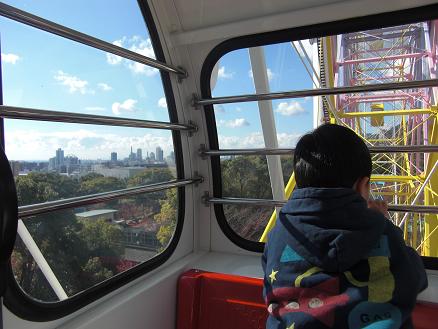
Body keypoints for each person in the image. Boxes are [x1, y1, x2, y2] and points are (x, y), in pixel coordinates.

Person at [262, 124, 427, 329]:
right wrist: (382, 222)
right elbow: (414, 277)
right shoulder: (383, 234)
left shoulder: (278, 235)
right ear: (362, 185)